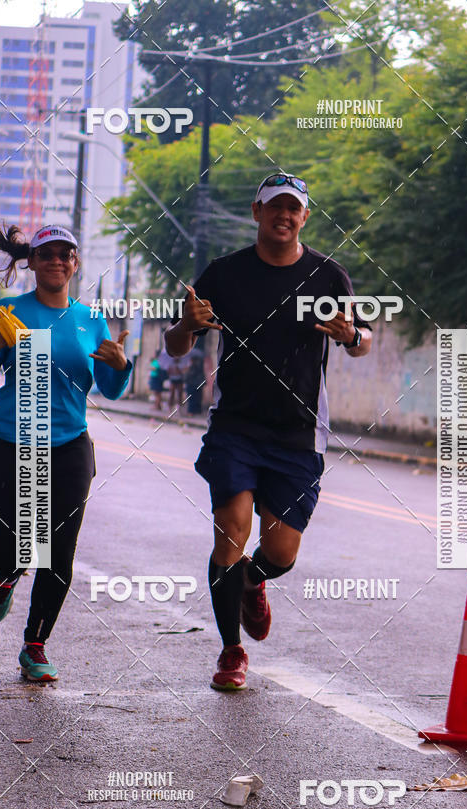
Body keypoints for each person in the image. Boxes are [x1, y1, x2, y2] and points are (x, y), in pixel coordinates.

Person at [165, 173, 372, 690]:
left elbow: (364, 338)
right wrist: (188, 325)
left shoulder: (329, 275)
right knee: (232, 529)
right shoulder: (224, 274)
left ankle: (254, 579)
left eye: (293, 209)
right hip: (236, 425)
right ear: (256, 213)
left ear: (305, 216)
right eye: (274, 206)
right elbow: (175, 345)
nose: (284, 215)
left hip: (299, 432)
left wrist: (352, 336)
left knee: (280, 552)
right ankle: (231, 651)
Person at [0, 219, 132, 682]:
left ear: (75, 264)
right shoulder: (9, 310)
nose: (57, 261)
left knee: (58, 549)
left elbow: (113, 389)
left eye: (66, 254)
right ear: (33, 263)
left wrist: (122, 365)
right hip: (10, 442)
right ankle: (4, 578)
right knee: (14, 548)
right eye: (48, 254)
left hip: (69, 446)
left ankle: (35, 646)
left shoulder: (90, 319)